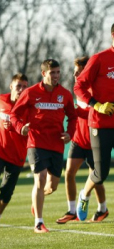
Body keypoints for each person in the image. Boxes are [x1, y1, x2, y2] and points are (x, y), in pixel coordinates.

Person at [73, 20, 114, 234]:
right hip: (100, 125)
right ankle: (84, 194)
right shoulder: (99, 59)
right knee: (100, 173)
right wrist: (97, 105)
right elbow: (79, 85)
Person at [10, 59, 77, 233]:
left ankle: (36, 202)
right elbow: (14, 114)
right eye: (52, 72)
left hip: (56, 144)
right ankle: (38, 222)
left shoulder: (65, 94)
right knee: (39, 179)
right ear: (43, 74)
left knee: (52, 186)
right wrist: (20, 128)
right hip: (36, 142)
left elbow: (73, 116)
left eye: (58, 72)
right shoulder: (31, 92)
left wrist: (70, 133)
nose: (55, 76)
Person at [56, 56, 108, 224]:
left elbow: (92, 113)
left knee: (96, 177)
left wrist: (72, 111)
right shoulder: (77, 89)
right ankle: (72, 210)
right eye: (74, 72)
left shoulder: (96, 90)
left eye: (79, 72)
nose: (75, 75)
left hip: (94, 141)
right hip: (78, 140)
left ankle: (102, 208)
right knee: (69, 173)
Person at [0, 74, 28, 221]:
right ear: (11, 86)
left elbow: (33, 130)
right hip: (1, 150)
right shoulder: (1, 101)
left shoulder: (29, 109)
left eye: (24, 87)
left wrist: (17, 127)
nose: (21, 90)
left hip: (17, 154)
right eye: (18, 86)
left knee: (7, 192)